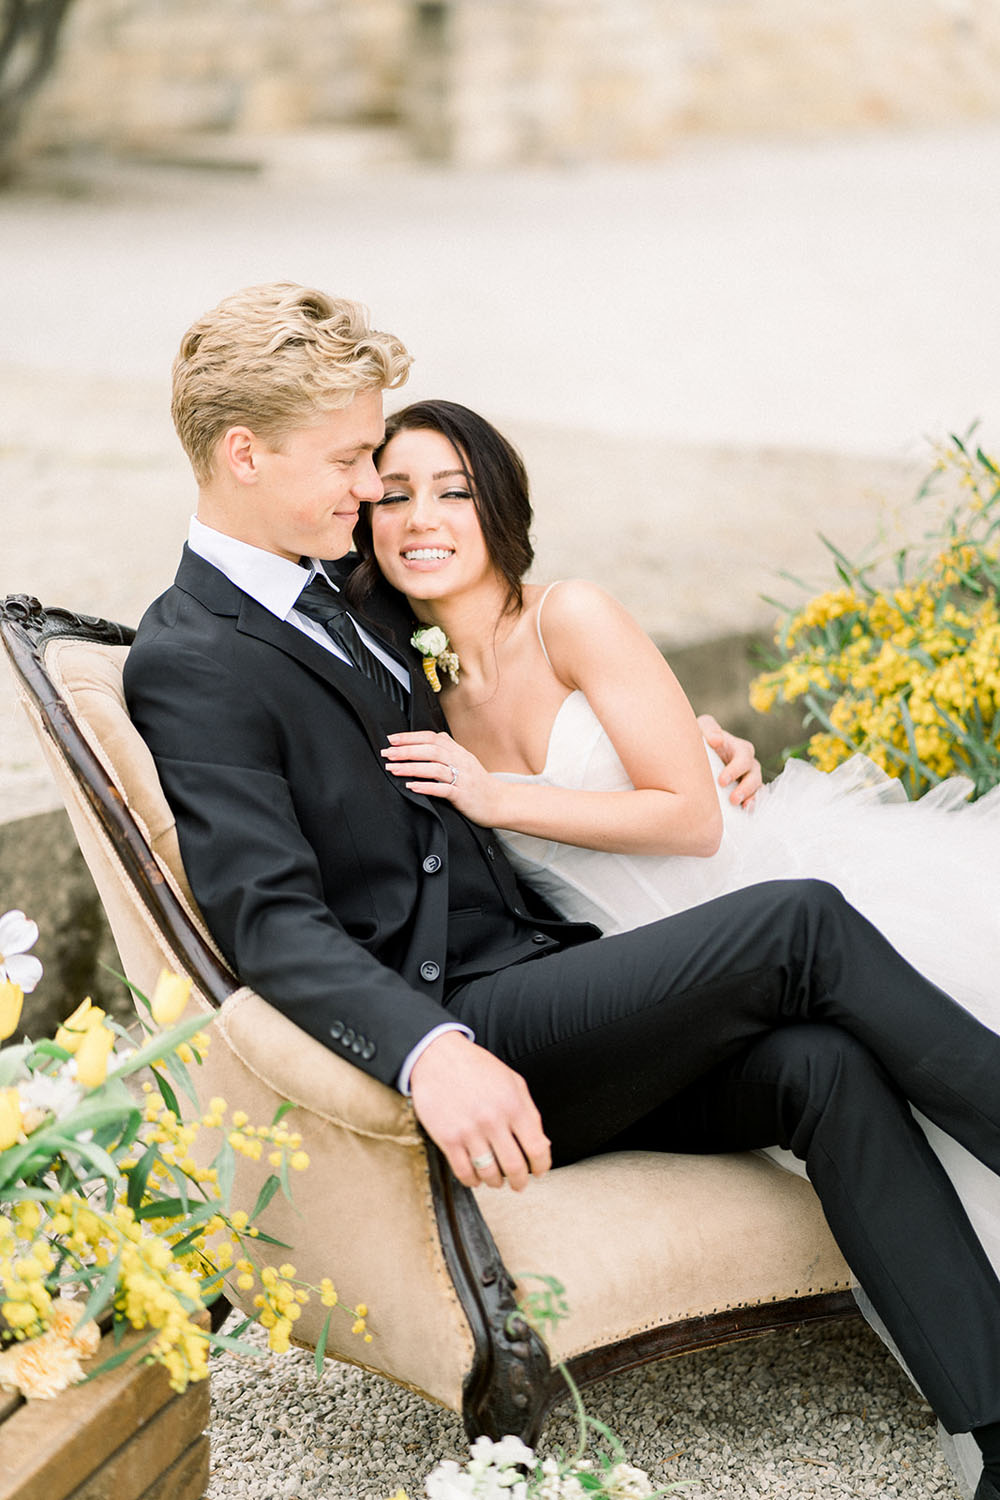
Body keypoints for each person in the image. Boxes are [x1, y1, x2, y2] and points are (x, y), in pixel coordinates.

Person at [125, 283, 1000, 1500]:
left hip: (549, 972)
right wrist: (429, 1052)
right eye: (348, 460)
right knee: (796, 920)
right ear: (242, 452)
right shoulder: (193, 656)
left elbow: (497, 647)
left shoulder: (345, 585)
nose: (369, 489)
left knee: (820, 1065)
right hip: (467, 1015)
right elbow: (267, 919)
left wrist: (661, 726)